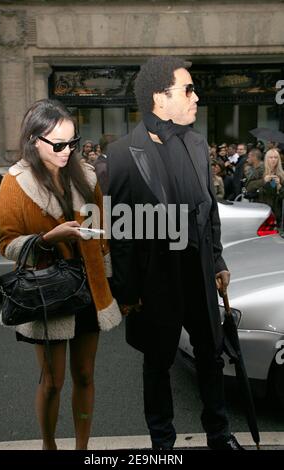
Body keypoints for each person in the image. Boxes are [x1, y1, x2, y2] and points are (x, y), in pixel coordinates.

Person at [107, 56, 244, 451]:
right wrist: (128, 292)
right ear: (159, 98)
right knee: (157, 365)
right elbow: (121, 232)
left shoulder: (198, 144)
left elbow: (208, 210)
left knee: (211, 358)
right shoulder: (121, 154)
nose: (196, 97)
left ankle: (219, 434)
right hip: (155, 280)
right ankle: (162, 445)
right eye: (188, 89)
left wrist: (216, 260)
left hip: (198, 271)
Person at [0, 99, 121, 450]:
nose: (68, 151)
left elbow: (103, 235)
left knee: (85, 376)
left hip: (89, 288)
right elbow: (8, 244)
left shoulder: (85, 176)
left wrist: (113, 287)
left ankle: (83, 448)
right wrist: (51, 238)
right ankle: (49, 445)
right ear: (35, 140)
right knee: (53, 381)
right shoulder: (15, 183)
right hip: (47, 292)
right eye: (58, 144)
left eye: (72, 142)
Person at [258, 148, 284, 225]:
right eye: (271, 157)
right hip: (261, 209)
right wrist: (263, 181)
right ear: (266, 159)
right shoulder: (260, 171)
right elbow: (249, 187)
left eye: (275, 157)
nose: (273, 160)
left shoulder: (282, 174)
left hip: (276, 212)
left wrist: (279, 186)